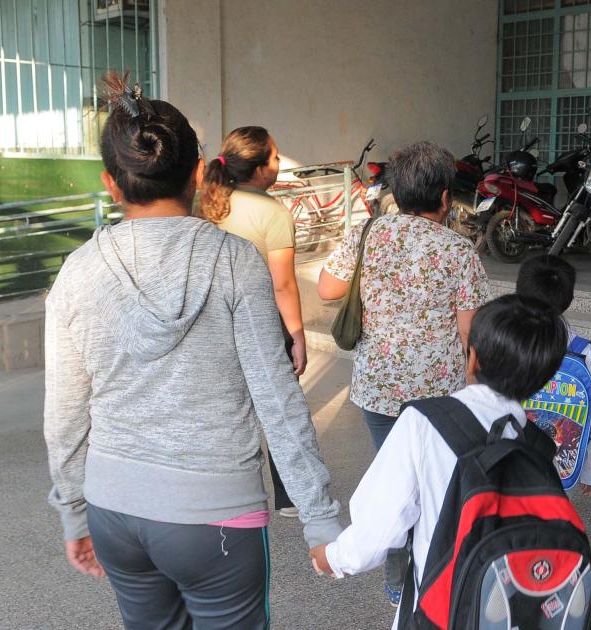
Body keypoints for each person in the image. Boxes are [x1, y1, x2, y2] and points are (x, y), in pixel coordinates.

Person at [43, 73, 341, 629]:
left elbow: (64, 411)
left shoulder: (77, 271)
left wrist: (73, 511)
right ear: (199, 172)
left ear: (112, 183)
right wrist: (318, 515)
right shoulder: (234, 260)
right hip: (217, 517)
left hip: (115, 510)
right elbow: (275, 396)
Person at [308, 294, 569, 628]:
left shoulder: (423, 422)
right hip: (511, 607)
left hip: (440, 607)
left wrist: (332, 558)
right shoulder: (537, 445)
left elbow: (380, 526)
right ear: (543, 379)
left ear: (472, 358)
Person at [319, 140, 489, 607]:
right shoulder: (459, 251)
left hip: (377, 388)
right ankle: (437, 581)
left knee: (395, 483)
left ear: (396, 191)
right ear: (444, 199)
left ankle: (398, 585)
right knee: (435, 486)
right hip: (439, 395)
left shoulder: (369, 233)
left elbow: (327, 287)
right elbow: (469, 333)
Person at [202, 125, 304, 520]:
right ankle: (290, 497)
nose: (279, 163)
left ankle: (229, 493)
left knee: (226, 407)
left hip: (214, 323)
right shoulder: (273, 213)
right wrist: (297, 334)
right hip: (264, 326)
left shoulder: (210, 202)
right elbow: (282, 284)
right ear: (260, 168)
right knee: (280, 408)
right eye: (276, 157)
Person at [514, 255, 591, 495]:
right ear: (569, 300)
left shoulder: (504, 339)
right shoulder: (583, 353)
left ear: (518, 292)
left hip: (508, 459)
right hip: (559, 465)